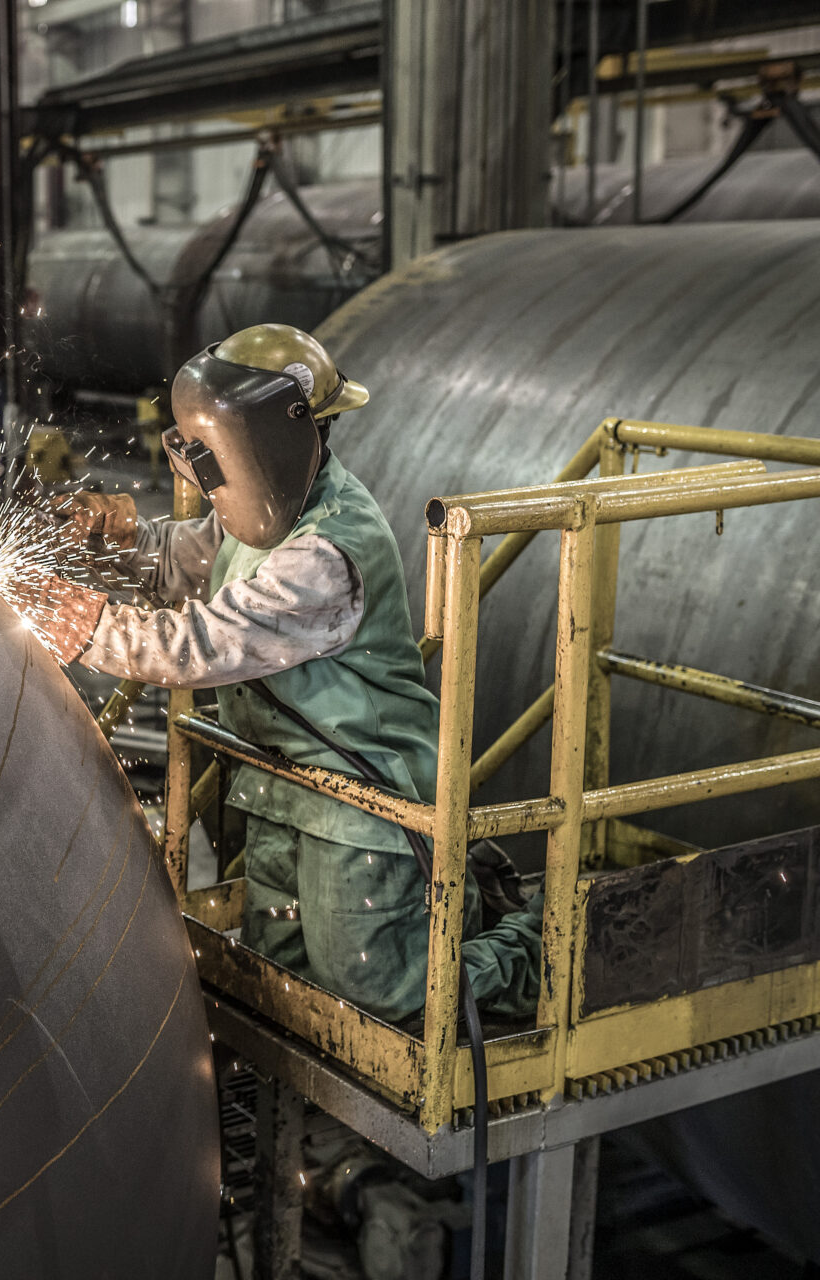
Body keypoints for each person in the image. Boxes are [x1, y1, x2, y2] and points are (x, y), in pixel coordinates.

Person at [27, 323, 540, 1025]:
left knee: (385, 996)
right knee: (282, 990)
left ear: (269, 442)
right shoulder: (264, 515)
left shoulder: (328, 552)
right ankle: (306, 1140)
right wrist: (118, 544)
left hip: (364, 810)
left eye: (215, 461)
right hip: (280, 792)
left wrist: (87, 626)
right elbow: (189, 561)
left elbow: (205, 644)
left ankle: (535, 945)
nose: (203, 479)